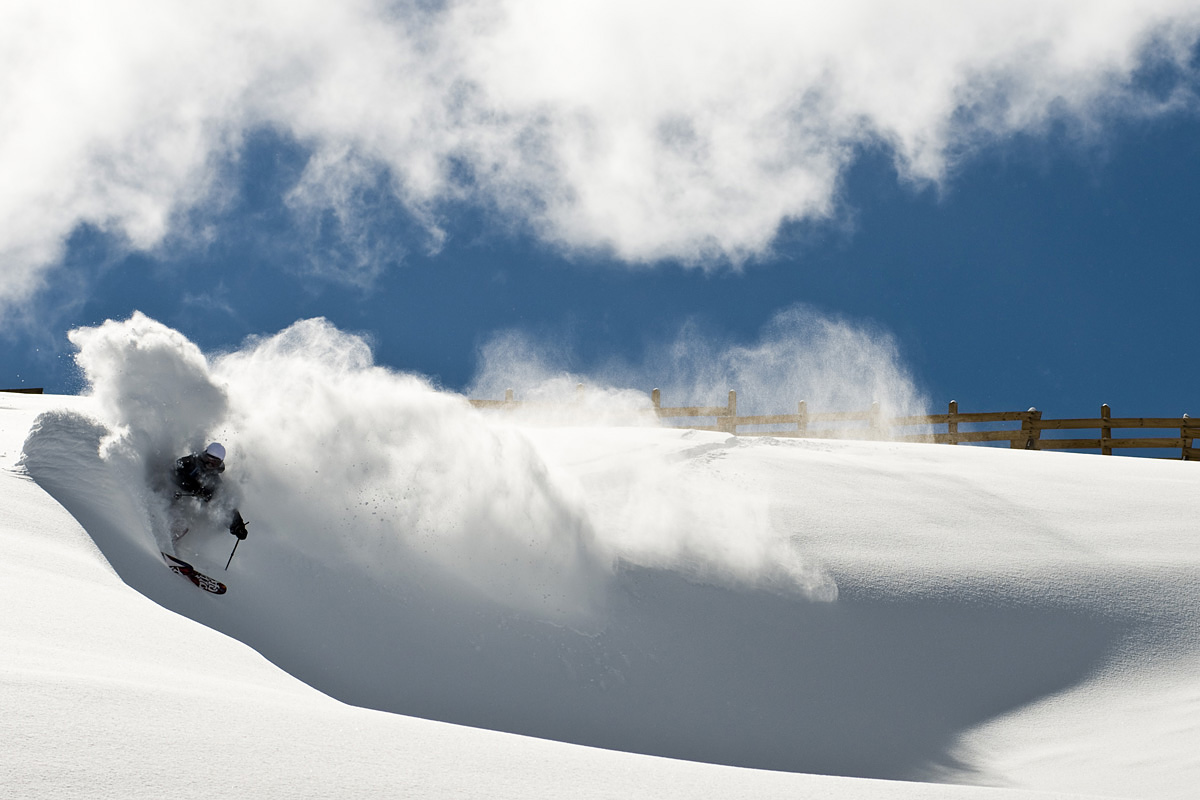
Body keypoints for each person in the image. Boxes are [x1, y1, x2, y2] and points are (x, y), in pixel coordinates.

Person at [172, 442, 248, 541]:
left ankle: (169, 541)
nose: (209, 464)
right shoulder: (190, 462)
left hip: (183, 506)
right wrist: (192, 486)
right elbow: (173, 473)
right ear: (204, 455)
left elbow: (225, 504)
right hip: (170, 494)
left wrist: (237, 526)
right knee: (173, 508)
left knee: (185, 520)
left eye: (214, 463)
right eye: (208, 459)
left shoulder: (214, 482)